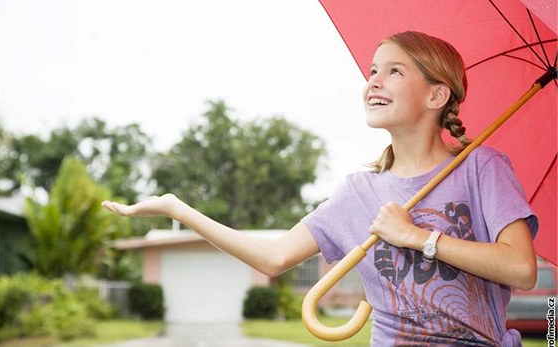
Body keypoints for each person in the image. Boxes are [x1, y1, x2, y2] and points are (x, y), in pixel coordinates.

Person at [102, 31, 538, 346]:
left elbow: (520, 268)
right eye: (372, 71)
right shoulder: (358, 193)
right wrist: (179, 210)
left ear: (436, 95)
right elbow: (273, 258)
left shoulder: (482, 168)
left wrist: (418, 238)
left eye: (394, 71)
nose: (373, 82)